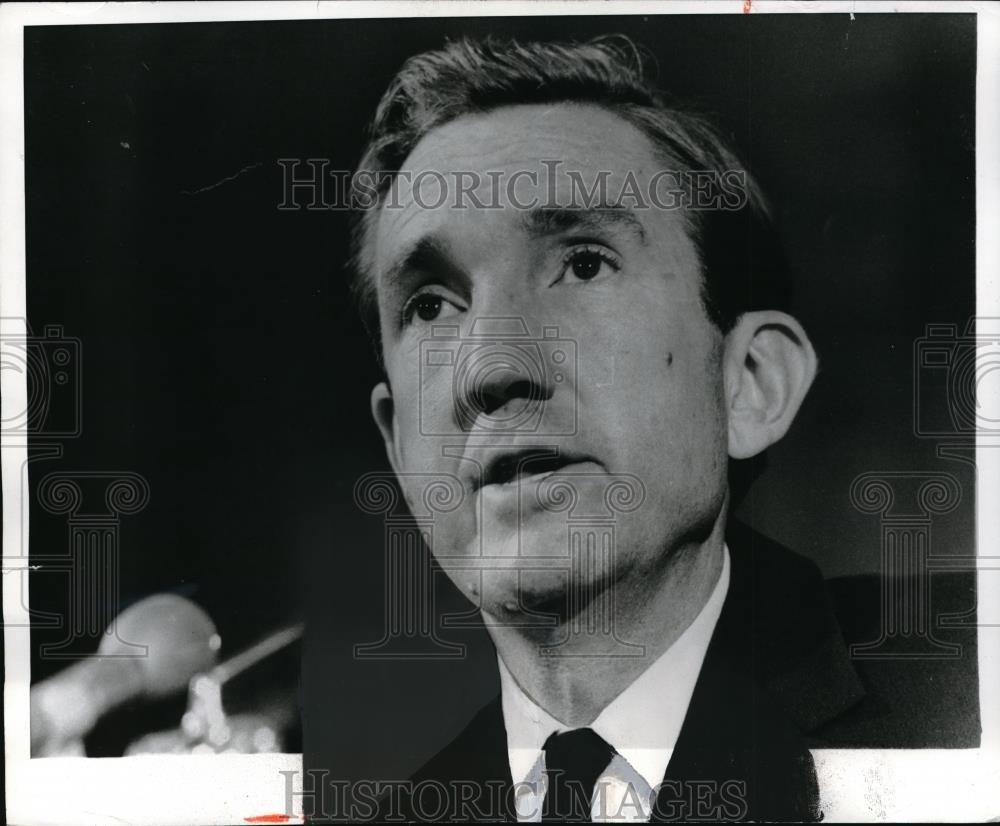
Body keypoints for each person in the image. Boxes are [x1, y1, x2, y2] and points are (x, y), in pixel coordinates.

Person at [345, 35, 978, 823]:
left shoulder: (973, 697)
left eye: (582, 263)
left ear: (750, 384)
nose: (488, 368)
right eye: (431, 305)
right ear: (400, 446)